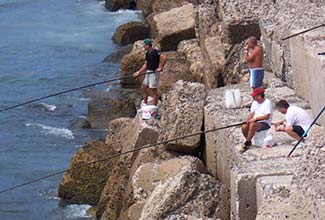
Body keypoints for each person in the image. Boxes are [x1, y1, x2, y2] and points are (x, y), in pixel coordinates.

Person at [133, 38, 167, 106]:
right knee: (143, 88)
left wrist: (160, 67)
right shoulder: (147, 53)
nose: (144, 47)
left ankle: (154, 107)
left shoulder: (155, 52)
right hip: (148, 72)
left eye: (145, 45)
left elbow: (164, 57)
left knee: (153, 91)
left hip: (153, 73)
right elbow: (145, 64)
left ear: (148, 45)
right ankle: (145, 103)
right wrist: (138, 72)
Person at [240, 87, 272, 153]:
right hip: (255, 122)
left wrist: (255, 119)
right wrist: (247, 120)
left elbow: (267, 116)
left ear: (259, 96)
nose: (253, 97)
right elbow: (251, 113)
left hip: (264, 123)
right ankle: (249, 141)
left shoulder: (267, 102)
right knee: (244, 126)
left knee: (252, 125)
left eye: (254, 96)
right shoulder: (254, 103)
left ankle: (247, 143)